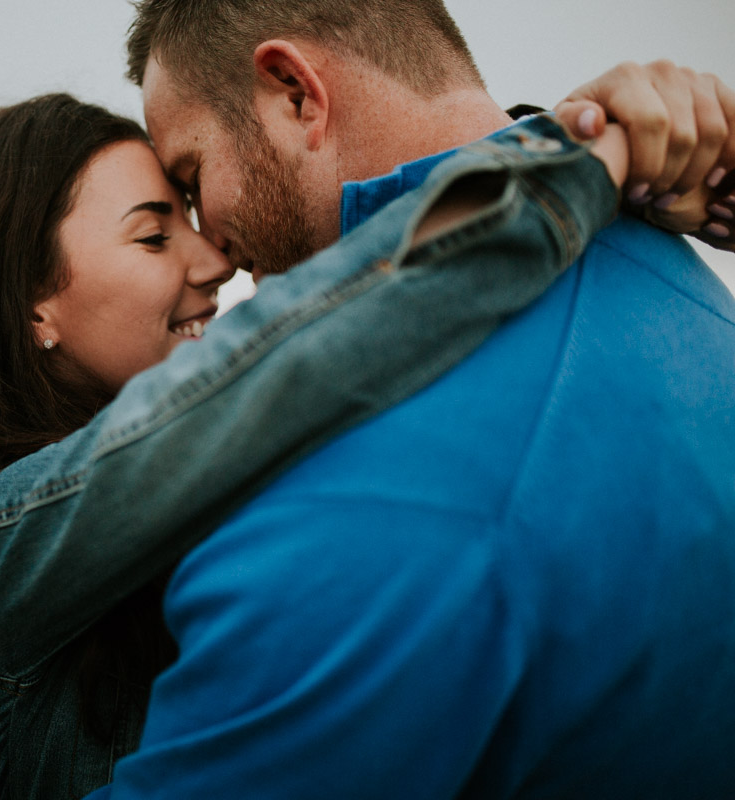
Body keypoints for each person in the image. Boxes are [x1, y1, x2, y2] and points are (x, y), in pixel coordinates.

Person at [0, 75, 732, 800]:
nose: (215, 261)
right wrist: (576, 155)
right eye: (152, 236)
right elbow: (275, 370)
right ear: (30, 307)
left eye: (189, 212)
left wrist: (640, 154)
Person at [78, 2, 735, 798]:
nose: (208, 247)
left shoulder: (360, 485)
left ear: (295, 91)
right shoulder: (689, 292)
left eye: (192, 178)